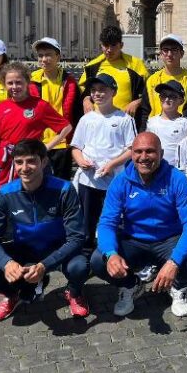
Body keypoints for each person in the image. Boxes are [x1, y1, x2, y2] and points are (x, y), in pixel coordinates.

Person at [91, 132, 187, 318]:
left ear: (161, 153)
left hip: (169, 240)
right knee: (98, 259)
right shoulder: (120, 181)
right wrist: (111, 254)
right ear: (131, 154)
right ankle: (131, 286)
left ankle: (178, 287)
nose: (143, 157)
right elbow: (106, 223)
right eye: (138, 152)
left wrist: (174, 261)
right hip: (133, 240)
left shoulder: (177, 179)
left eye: (150, 151)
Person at [0, 139, 89, 320]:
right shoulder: (4, 194)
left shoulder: (65, 189)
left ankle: (74, 293)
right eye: (19, 162)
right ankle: (12, 295)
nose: (24, 168)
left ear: (44, 161)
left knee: (80, 266)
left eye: (31, 161)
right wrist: (6, 263)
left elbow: (76, 238)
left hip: (56, 249)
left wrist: (44, 266)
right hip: (23, 250)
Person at [70, 73, 136, 251]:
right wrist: (81, 161)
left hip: (114, 179)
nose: (97, 94)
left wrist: (112, 164)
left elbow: (131, 149)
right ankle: (86, 252)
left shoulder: (124, 119)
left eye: (102, 90)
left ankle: (112, 252)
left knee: (114, 217)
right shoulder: (86, 119)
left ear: (113, 92)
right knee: (87, 219)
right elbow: (76, 146)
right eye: (93, 91)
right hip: (88, 179)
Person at [0, 63, 72, 191]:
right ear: (4, 84)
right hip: (3, 164)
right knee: (1, 203)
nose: (14, 87)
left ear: (27, 82)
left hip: (29, 165)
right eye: (10, 83)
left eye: (19, 82)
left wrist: (46, 147)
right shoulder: (0, 107)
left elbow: (66, 128)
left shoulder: (40, 106)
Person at [29, 37, 83, 180]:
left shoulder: (69, 82)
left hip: (62, 142)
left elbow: (77, 113)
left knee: (61, 182)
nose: (43, 59)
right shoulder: (31, 81)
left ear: (58, 56)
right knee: (37, 182)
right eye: (40, 55)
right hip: (38, 142)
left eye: (48, 55)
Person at [79, 25, 149, 118]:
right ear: (101, 46)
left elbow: (150, 91)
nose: (109, 50)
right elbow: (82, 91)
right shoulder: (92, 66)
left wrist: (136, 102)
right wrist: (86, 100)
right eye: (106, 45)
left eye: (113, 45)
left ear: (121, 45)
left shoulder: (135, 64)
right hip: (98, 121)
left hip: (126, 120)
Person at [139, 34, 187, 126]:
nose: (169, 54)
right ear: (160, 54)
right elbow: (145, 111)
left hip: (182, 131)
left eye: (174, 50)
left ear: (182, 54)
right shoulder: (152, 80)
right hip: (155, 131)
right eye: (165, 50)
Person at [146, 80, 187, 167]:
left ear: (181, 101)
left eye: (172, 97)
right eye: (163, 95)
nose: (167, 99)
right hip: (156, 170)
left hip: (177, 171)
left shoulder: (186, 123)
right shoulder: (151, 122)